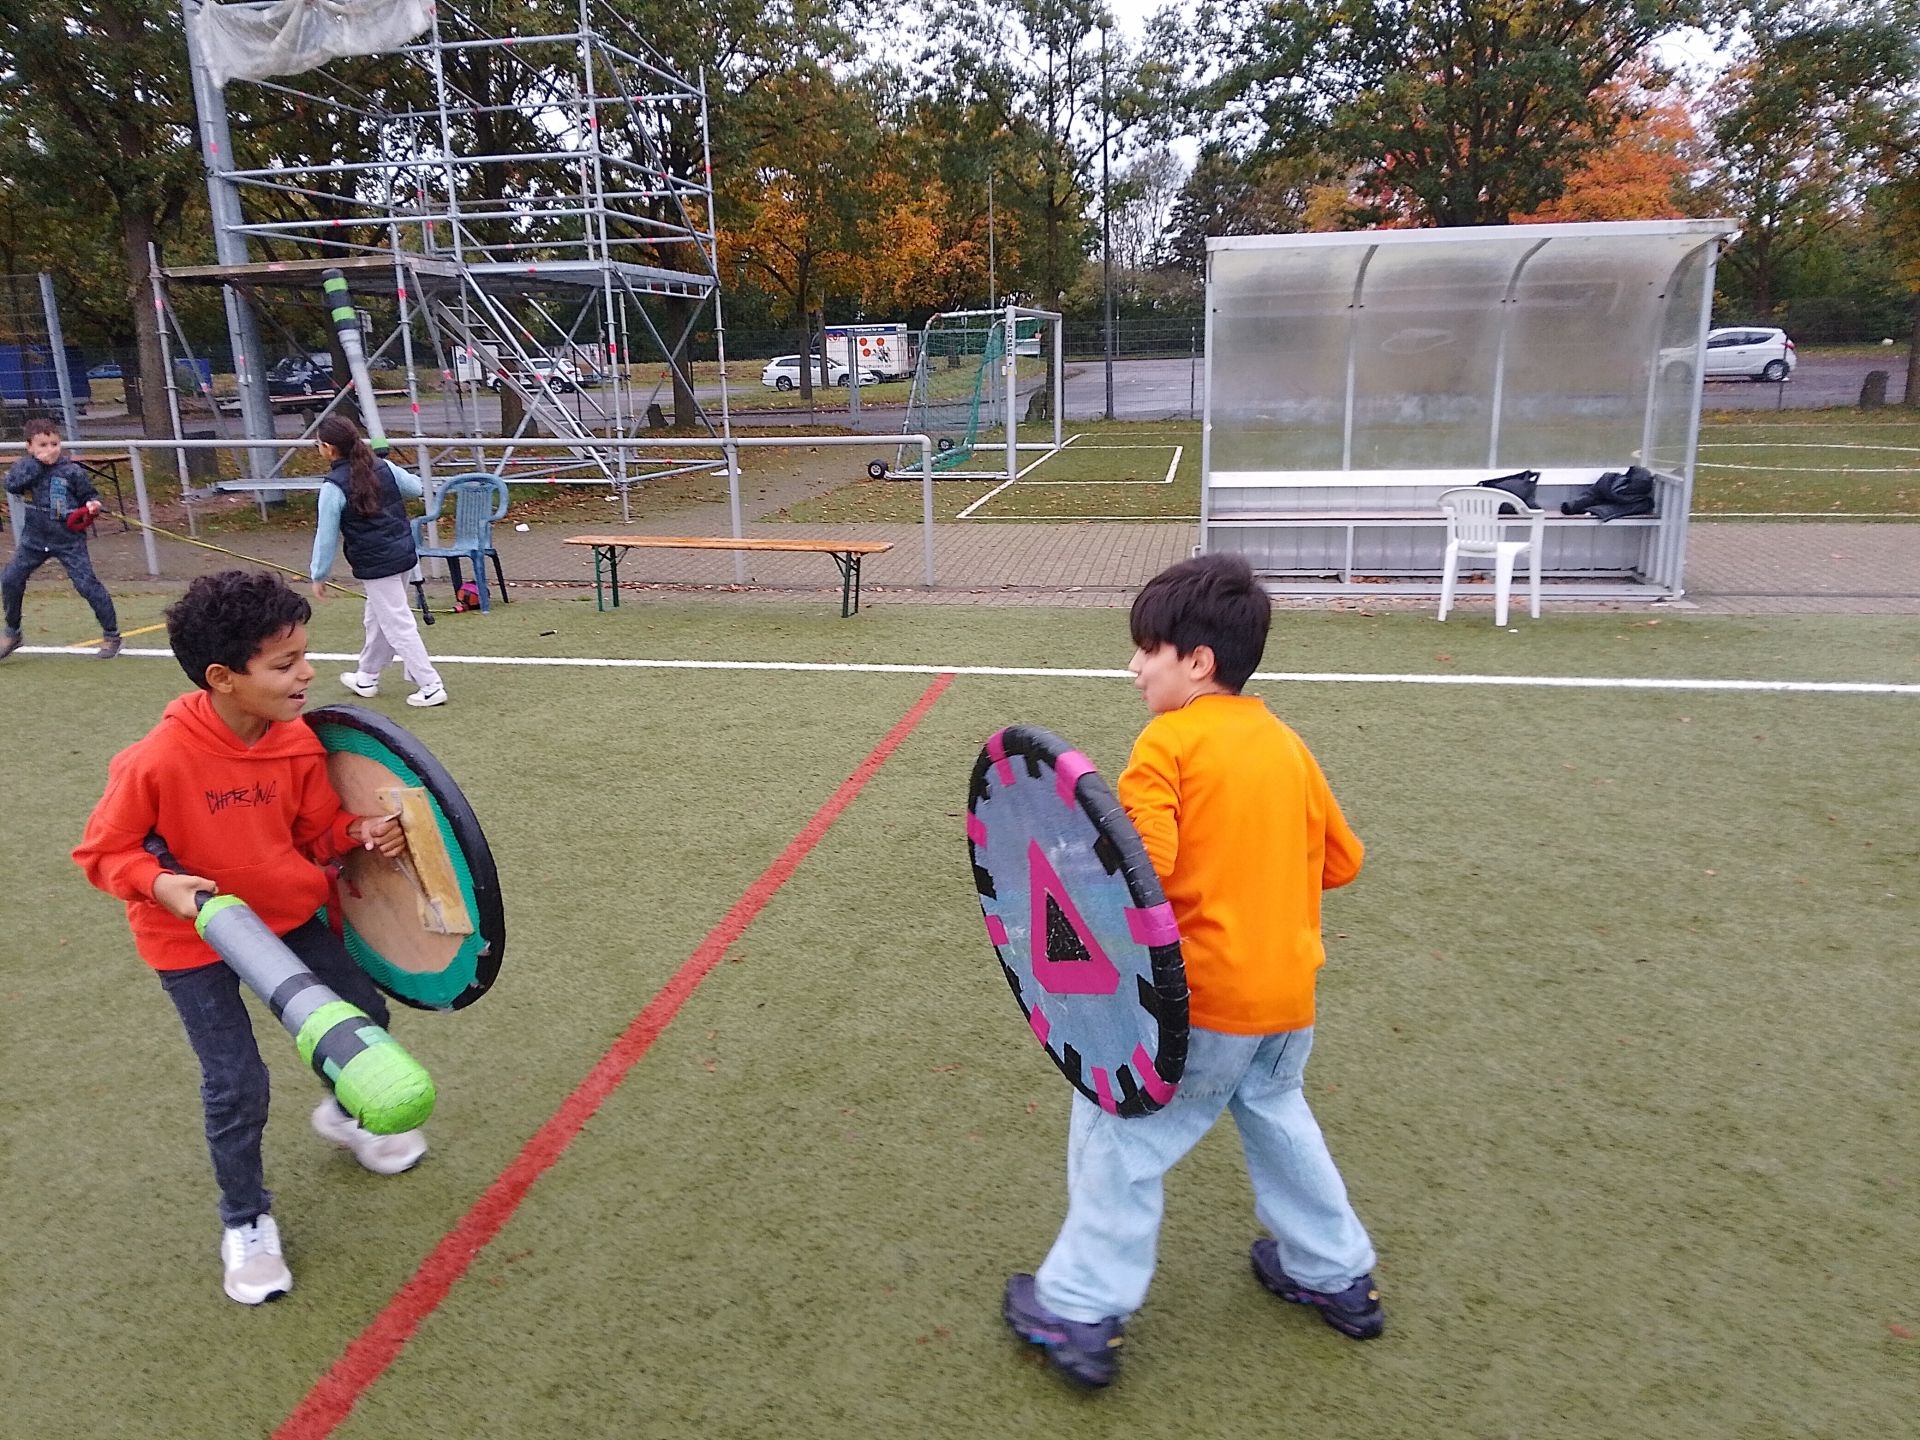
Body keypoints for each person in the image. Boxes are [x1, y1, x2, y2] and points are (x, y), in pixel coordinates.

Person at [1003, 552, 1380, 1388]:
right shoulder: (1286, 744)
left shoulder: (1167, 742)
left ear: (1199, 661)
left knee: (1118, 1133)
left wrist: (1068, 868)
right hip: (1286, 1000)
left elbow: (1140, 873)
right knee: (1279, 1119)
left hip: (1197, 1005)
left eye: (1149, 650)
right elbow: (1342, 861)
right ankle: (1335, 1272)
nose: (1135, 668)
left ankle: (1078, 1306)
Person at [73, 570, 431, 1305]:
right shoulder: (156, 760)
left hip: (287, 917)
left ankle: (345, 1114)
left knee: (363, 1017)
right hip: (193, 943)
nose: (307, 674)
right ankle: (245, 1219)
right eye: (284, 664)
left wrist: (358, 832)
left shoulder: (296, 744)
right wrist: (162, 885)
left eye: (304, 656)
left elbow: (314, 835)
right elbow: (103, 853)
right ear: (223, 677)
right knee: (237, 1085)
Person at [308, 414, 447, 707]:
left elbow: (326, 535)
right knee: (377, 618)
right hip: (402, 553)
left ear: (329, 449)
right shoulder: (383, 466)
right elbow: (415, 488)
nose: (317, 448)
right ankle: (367, 676)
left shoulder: (334, 486)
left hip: (377, 562)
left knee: (397, 623)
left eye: (318, 444)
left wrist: (319, 574)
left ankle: (430, 685)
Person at [1, 416, 121, 660]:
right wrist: (38, 464)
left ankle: (112, 634)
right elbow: (12, 485)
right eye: (43, 445)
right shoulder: (25, 468)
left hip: (69, 540)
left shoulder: (71, 471)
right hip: (34, 541)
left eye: (54, 444)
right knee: (10, 579)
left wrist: (92, 504)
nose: (50, 450)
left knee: (86, 585)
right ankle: (12, 632)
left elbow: (89, 494)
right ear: (30, 447)